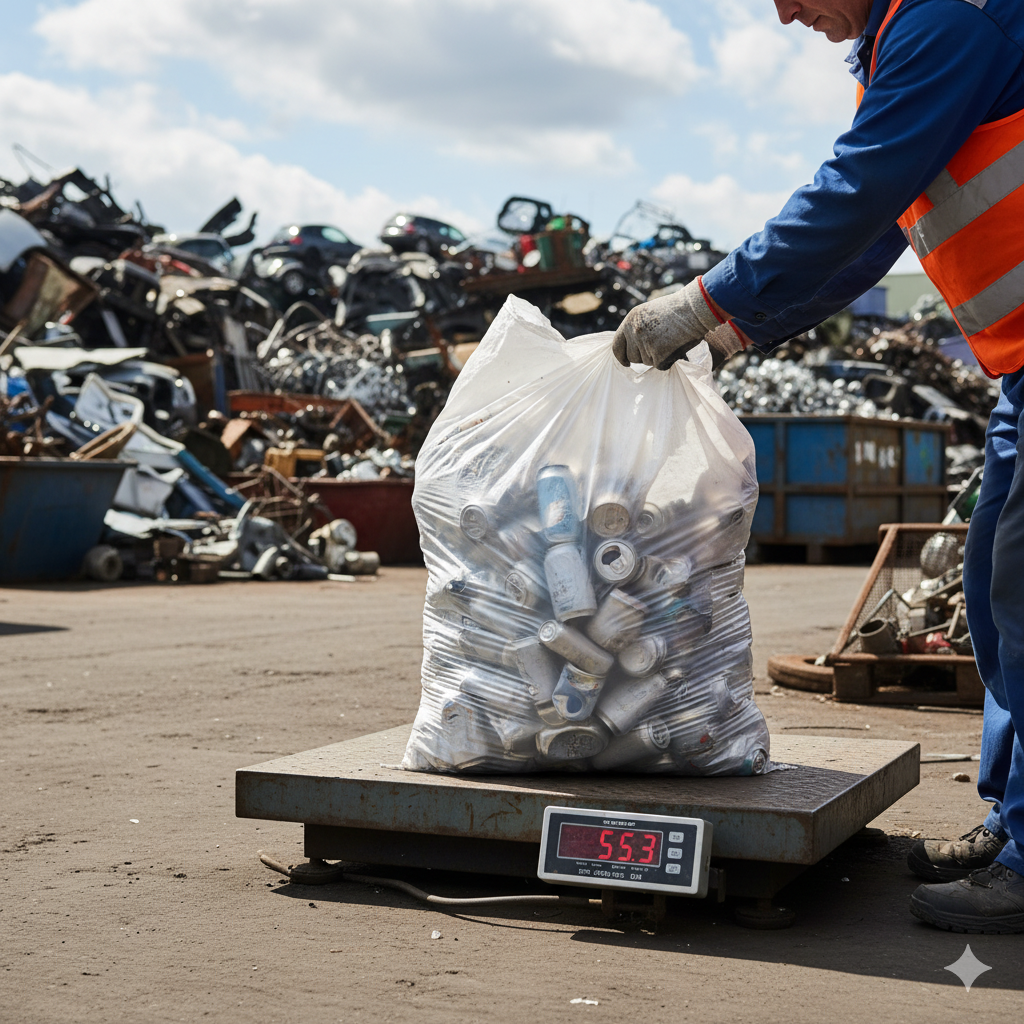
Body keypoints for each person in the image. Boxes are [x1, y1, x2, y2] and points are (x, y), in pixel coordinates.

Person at [613, 0, 1024, 934]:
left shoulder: (946, 20)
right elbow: (883, 229)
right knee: (995, 594)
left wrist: (708, 296)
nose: (787, 13)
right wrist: (741, 325)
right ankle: (1014, 825)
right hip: (1017, 375)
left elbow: (857, 189)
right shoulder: (900, 42)